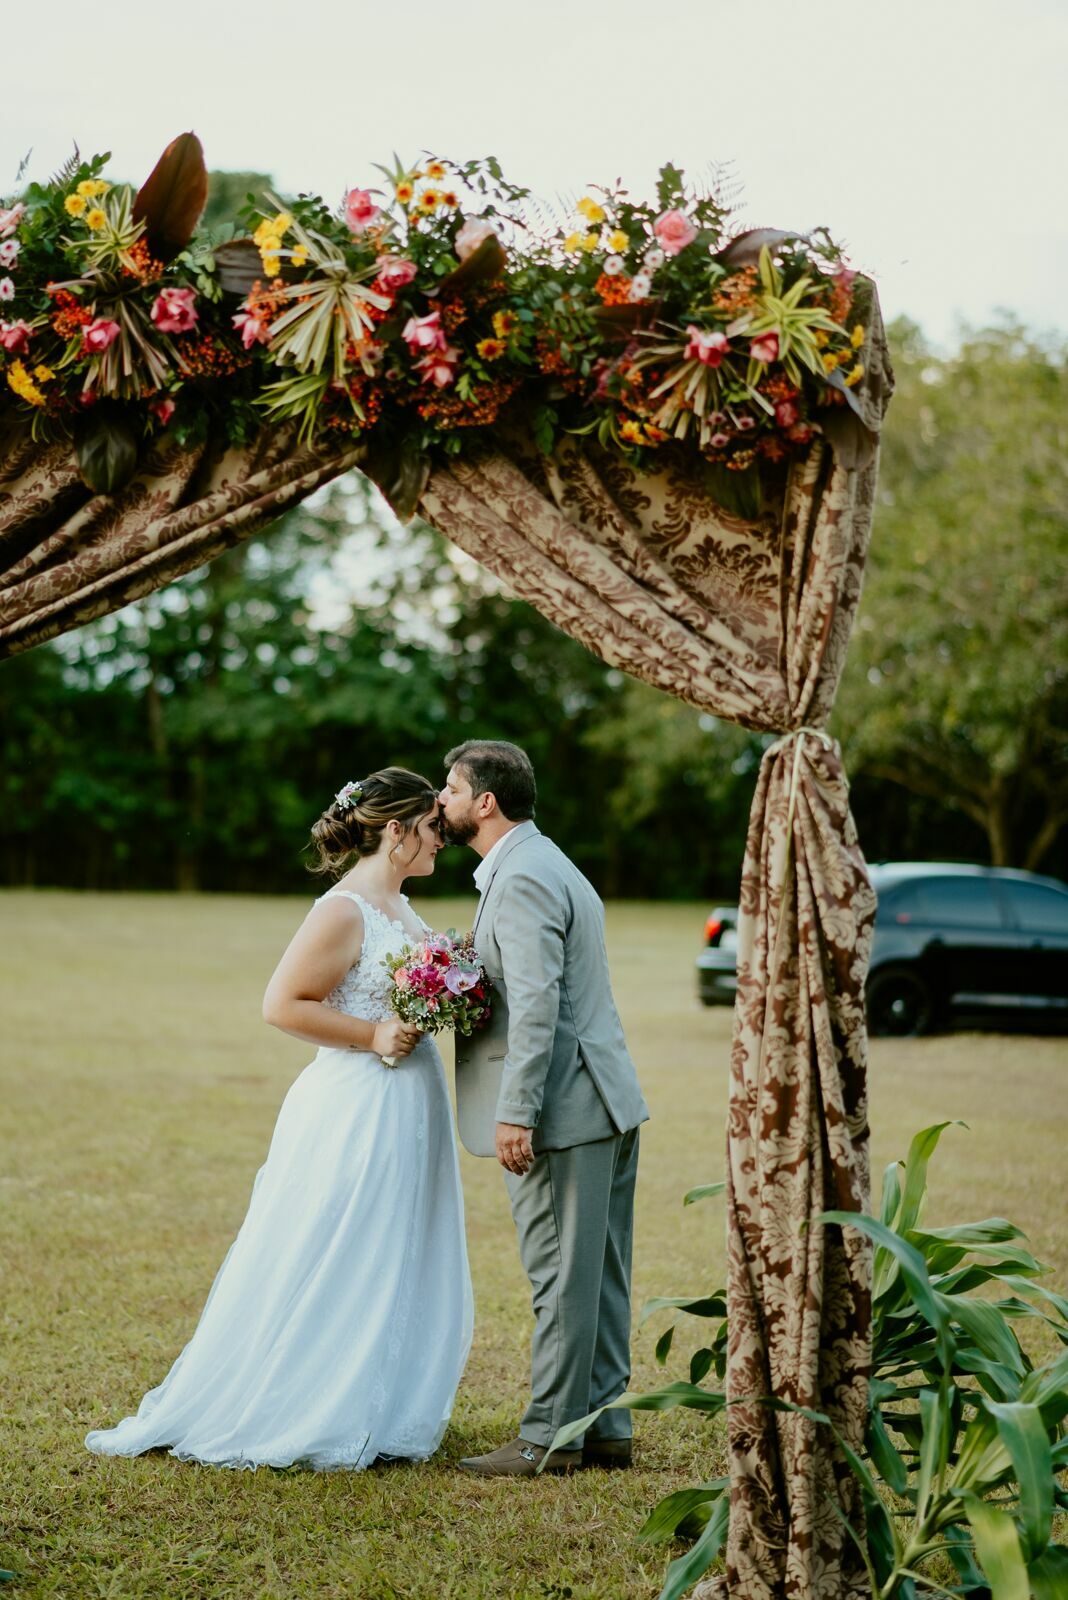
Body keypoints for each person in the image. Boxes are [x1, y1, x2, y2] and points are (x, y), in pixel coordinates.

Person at [85, 767, 473, 1471]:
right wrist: (373, 1034)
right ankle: (308, 1403)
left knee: (393, 1245)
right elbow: (282, 1004)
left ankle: (376, 1402)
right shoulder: (343, 909)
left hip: (411, 1104)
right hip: (358, 1105)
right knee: (337, 1246)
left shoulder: (402, 906)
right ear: (395, 830)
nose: (441, 841)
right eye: (431, 829)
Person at [438, 740, 649, 1477]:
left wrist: (516, 1111)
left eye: (450, 788)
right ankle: (604, 1426)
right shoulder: (546, 861)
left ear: (485, 802)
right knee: (598, 1276)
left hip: (564, 1110)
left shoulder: (524, 876)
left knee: (560, 1277)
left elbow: (537, 1005)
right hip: (605, 1101)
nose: (441, 800)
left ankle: (548, 1439)